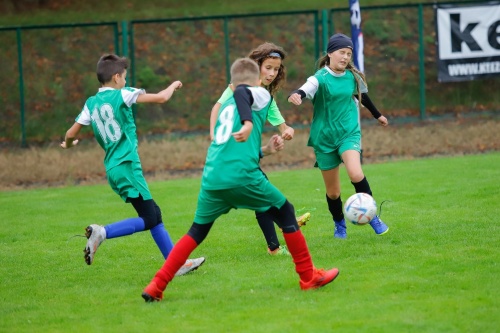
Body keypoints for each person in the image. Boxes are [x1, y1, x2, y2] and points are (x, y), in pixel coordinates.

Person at [142, 58, 339, 302]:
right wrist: (248, 122)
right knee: (286, 211)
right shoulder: (260, 94)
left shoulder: (226, 108)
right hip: (243, 177)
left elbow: (234, 145)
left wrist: (265, 149)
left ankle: (156, 286)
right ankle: (308, 277)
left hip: (213, 178)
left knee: (197, 231)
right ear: (255, 81)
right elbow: (245, 93)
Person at [60, 54, 205, 276]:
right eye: (124, 77)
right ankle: (103, 232)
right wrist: (174, 85)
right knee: (149, 217)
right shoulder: (122, 94)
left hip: (113, 169)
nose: (126, 82)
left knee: (154, 214)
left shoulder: (91, 103)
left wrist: (70, 144)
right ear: (116, 77)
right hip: (128, 165)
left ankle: (176, 265)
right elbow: (162, 98)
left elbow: (70, 133)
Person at [209, 42, 310, 256]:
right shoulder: (239, 87)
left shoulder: (264, 94)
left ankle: (277, 239)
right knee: (262, 195)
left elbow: (278, 118)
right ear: (257, 66)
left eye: (276, 69)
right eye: (268, 68)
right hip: (233, 156)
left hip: (245, 156)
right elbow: (217, 107)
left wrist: (286, 129)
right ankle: (284, 223)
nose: (272, 73)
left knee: (260, 196)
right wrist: (213, 134)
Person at [287, 33, 389, 239]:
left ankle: (373, 216)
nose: (345, 57)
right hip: (324, 138)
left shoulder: (352, 77)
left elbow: (363, 96)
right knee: (333, 192)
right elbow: (306, 88)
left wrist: (378, 115)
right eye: (341, 52)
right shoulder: (320, 78)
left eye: (348, 54)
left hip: (348, 133)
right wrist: (297, 94)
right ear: (330, 53)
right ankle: (339, 224)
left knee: (355, 173)